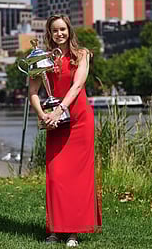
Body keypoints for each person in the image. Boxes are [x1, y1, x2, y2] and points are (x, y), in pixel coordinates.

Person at [29, 14, 102, 247]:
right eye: (54, 30)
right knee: (56, 176)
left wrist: (60, 109)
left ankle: (73, 232)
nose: (59, 33)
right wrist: (44, 116)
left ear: (69, 30)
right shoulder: (43, 59)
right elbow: (33, 91)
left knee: (78, 179)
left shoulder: (82, 55)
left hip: (79, 120)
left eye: (62, 29)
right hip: (55, 122)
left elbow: (78, 85)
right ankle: (54, 229)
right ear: (49, 34)